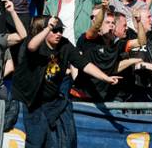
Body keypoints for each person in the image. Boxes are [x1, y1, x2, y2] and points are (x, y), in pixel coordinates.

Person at [13, 15, 121, 148]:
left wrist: (105, 77)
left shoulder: (65, 45)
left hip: (52, 100)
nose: (58, 34)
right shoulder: (37, 42)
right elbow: (31, 47)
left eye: (60, 30)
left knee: (61, 141)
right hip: (33, 100)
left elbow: (84, 64)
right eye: (55, 30)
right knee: (36, 141)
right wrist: (48, 27)